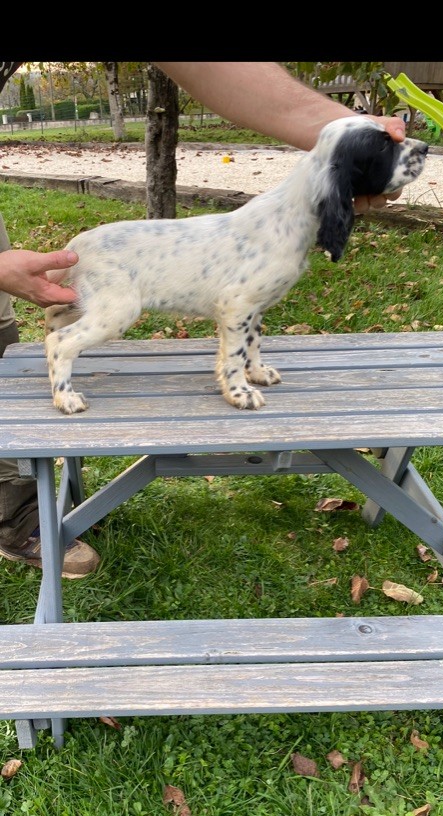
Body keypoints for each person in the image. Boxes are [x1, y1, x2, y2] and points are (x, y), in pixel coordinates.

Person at [0, 62, 406, 576]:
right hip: (129, 259)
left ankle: (73, 325)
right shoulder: (276, 232)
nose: (407, 157)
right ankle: (65, 354)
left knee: (235, 303)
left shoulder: (278, 225)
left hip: (123, 246)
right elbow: (234, 304)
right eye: (387, 157)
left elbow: (248, 303)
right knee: (115, 316)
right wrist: (235, 381)